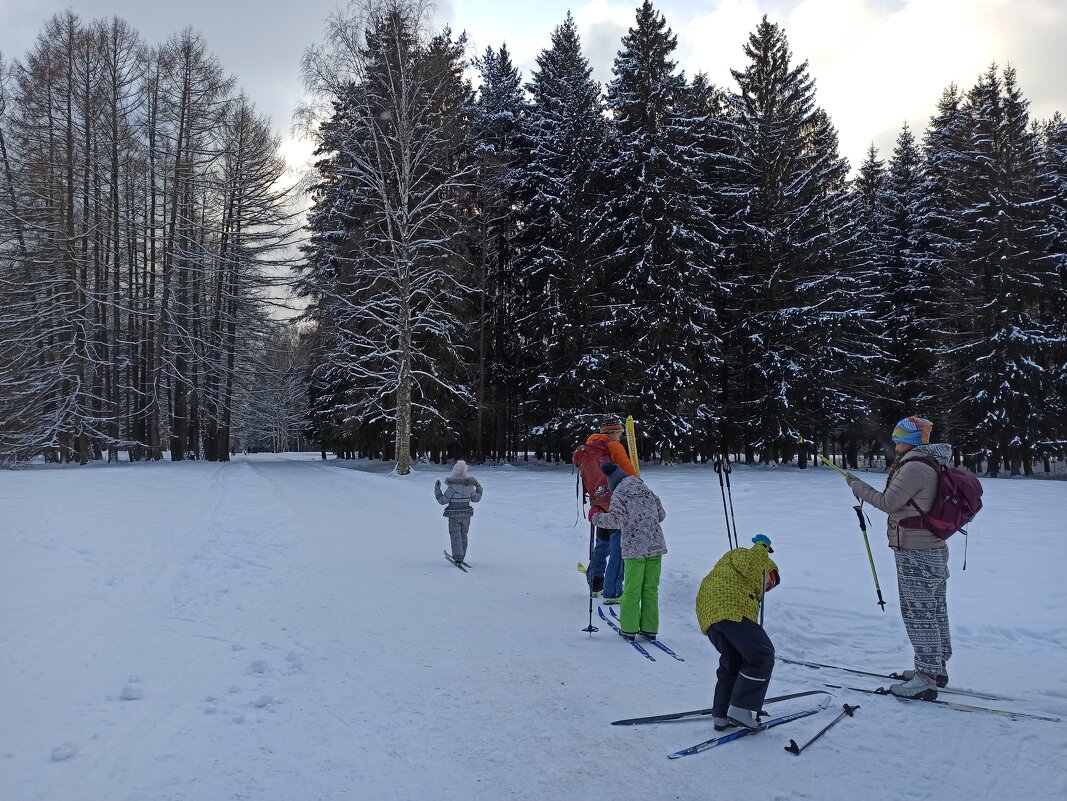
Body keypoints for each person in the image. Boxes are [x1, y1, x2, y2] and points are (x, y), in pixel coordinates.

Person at [846, 416, 951, 700]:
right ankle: (935, 667)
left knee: (919, 612)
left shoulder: (916, 466)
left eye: (900, 437)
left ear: (912, 440)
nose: (895, 442)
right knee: (933, 607)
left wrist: (858, 487)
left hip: (916, 550)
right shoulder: (932, 461)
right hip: (932, 547)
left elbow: (888, 503)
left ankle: (926, 677)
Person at [695, 534, 780, 732]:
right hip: (729, 607)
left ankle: (721, 714)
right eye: (772, 579)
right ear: (766, 567)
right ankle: (741, 709)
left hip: (712, 614)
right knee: (762, 655)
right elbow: (752, 562)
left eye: (772, 587)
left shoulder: (740, 580)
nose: (769, 586)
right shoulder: (744, 556)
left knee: (733, 662)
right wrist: (762, 547)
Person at [591, 462, 666, 643]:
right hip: (656, 547)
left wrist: (595, 516)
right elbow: (661, 515)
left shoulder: (619, 493)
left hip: (634, 550)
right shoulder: (646, 489)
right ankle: (649, 629)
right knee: (650, 590)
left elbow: (616, 520)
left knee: (632, 590)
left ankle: (629, 629)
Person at [581, 416, 637, 600]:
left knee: (602, 544)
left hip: (598, 501)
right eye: (620, 433)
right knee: (618, 549)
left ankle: (595, 583)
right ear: (612, 432)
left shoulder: (589, 446)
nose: (620, 436)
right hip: (616, 503)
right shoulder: (613, 446)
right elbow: (630, 473)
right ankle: (613, 591)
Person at [434, 460, 484, 564]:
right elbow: (476, 499)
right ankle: (462, 555)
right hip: (466, 514)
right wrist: (478, 486)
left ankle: (458, 557)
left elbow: (442, 501)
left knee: (455, 534)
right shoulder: (470, 486)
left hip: (454, 515)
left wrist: (437, 489)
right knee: (463, 535)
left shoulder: (452, 487)